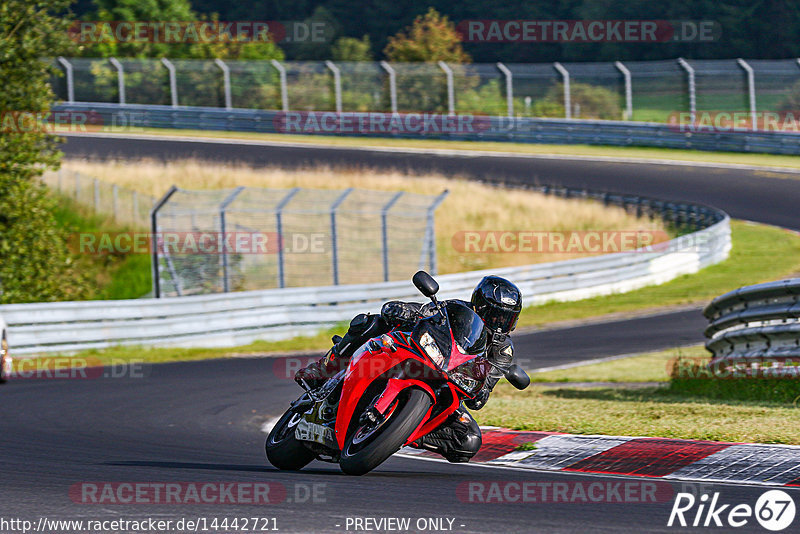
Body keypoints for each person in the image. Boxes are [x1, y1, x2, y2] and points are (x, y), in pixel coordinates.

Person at [294, 276, 523, 463]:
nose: (499, 322)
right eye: (495, 314)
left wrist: (481, 390)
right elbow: (425, 312)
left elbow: (483, 390)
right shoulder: (456, 310)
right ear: (480, 305)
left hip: (448, 385)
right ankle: (324, 368)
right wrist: (404, 311)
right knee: (370, 322)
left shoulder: (503, 351)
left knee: (468, 440)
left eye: (506, 317)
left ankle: (398, 430)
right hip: (420, 358)